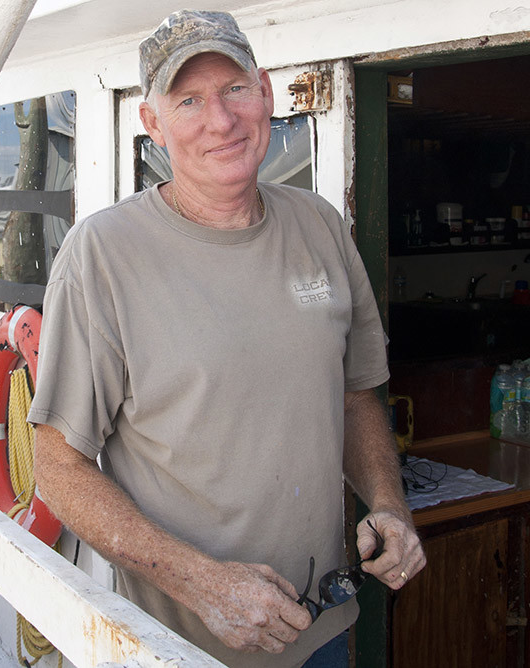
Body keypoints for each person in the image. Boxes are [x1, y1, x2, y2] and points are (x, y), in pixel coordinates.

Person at [27, 9, 425, 667]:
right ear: (152, 124)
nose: (220, 119)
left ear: (265, 92)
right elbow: (58, 468)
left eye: (234, 89)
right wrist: (203, 584)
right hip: (181, 650)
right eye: (188, 100)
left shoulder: (320, 227)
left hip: (324, 632)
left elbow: (355, 400)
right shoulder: (102, 255)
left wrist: (389, 505)